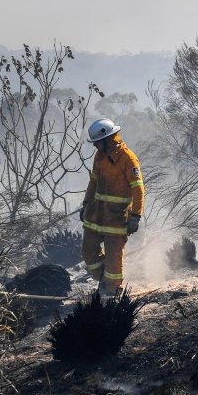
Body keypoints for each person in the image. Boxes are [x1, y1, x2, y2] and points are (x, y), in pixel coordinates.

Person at [80, 118, 145, 296]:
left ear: (108, 139)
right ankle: (104, 281)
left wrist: (135, 216)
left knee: (114, 260)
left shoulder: (128, 159)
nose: (95, 146)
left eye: (97, 143)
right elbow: (93, 181)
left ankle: (112, 291)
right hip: (96, 215)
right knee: (88, 252)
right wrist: (86, 204)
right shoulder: (100, 156)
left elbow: (138, 189)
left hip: (116, 219)